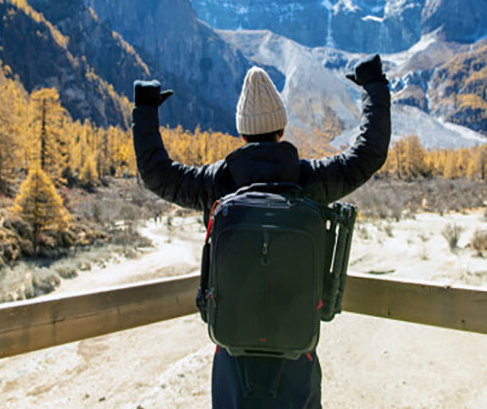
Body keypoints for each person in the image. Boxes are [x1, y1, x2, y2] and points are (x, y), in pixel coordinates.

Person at [132, 54, 391, 408]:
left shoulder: (217, 183)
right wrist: (374, 86)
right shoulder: (309, 180)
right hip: (296, 353)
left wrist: (145, 109)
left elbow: (156, 173)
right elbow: (368, 154)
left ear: (242, 132)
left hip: (232, 355)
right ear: (281, 128)